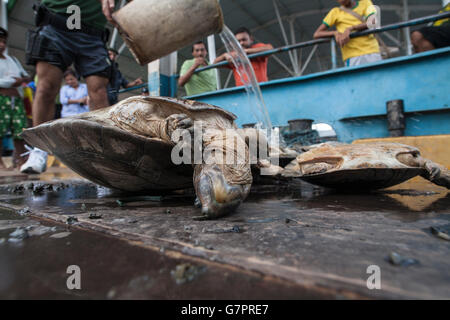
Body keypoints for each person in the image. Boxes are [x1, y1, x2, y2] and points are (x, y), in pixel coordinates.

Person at [21, 0, 122, 174]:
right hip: (57, 23)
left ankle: (103, 157)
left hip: (92, 32)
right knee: (46, 87)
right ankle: (39, 150)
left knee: (99, 91)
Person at [313, 0, 381, 67]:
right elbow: (317, 34)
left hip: (372, 51)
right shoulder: (335, 12)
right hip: (351, 56)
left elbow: (373, 22)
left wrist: (351, 28)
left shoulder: (366, 2)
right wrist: (335, 33)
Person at [0, 27, 31, 170]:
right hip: (2, 99)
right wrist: (11, 82)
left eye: (3, 41)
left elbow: (26, 76)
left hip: (16, 100)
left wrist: (20, 80)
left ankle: (21, 161)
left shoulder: (13, 60)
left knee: (20, 131)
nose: (1, 44)